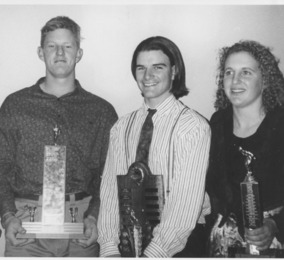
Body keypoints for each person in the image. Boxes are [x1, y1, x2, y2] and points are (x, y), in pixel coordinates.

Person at [0, 16, 118, 257]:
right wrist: (8, 217)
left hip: (81, 225)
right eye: (51, 46)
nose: (60, 52)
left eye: (67, 46)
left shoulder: (101, 111)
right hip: (26, 225)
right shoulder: (15, 105)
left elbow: (109, 175)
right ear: (40, 52)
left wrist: (95, 216)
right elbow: (1, 169)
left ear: (79, 53)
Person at [97, 36, 211, 257]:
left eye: (158, 67)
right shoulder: (122, 127)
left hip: (178, 245)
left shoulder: (193, 127)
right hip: (128, 242)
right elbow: (111, 192)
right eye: (141, 68)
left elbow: (184, 204)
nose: (148, 76)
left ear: (174, 71)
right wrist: (109, 248)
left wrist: (154, 253)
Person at [206, 40, 284, 257]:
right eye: (229, 72)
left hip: (272, 245)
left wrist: (275, 225)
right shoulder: (216, 124)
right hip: (221, 244)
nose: (235, 80)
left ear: (265, 80)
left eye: (246, 72)